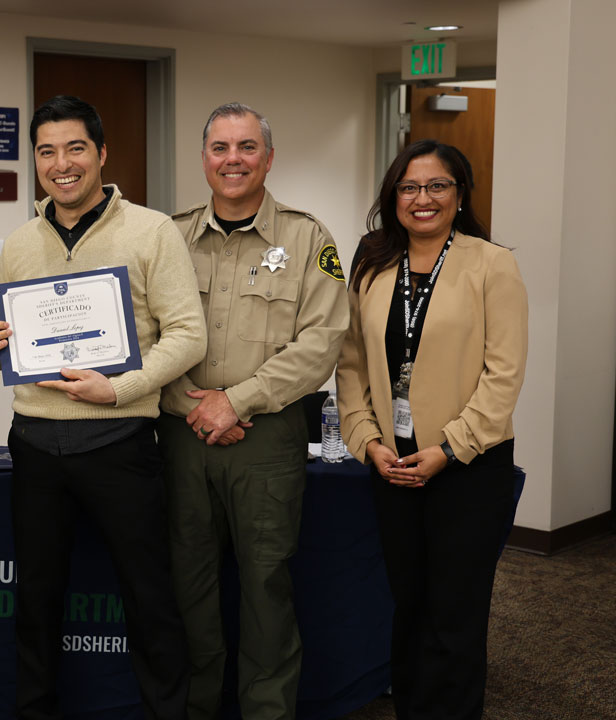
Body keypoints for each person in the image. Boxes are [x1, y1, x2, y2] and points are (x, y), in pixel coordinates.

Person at [0, 95, 205, 720]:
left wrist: (120, 388)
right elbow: (14, 341)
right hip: (36, 444)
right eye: (46, 151)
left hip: (120, 443)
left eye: (75, 148)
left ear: (102, 153)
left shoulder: (152, 231)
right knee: (37, 601)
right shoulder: (19, 243)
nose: (61, 163)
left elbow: (187, 334)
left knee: (149, 598)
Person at [159, 102, 349, 719]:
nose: (232, 160)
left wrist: (235, 401)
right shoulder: (168, 235)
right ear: (204, 157)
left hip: (266, 439)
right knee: (190, 585)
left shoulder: (309, 238)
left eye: (246, 148)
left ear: (268, 158)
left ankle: (267, 711)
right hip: (182, 432)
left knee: (266, 588)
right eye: (220, 148)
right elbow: (142, 330)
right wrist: (197, 404)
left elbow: (321, 344)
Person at [336, 139, 528, 720]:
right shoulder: (372, 261)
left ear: (460, 193)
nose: (423, 199)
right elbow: (349, 364)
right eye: (409, 187)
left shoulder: (492, 264)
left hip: (467, 468)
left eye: (437, 186)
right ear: (393, 195)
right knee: (409, 604)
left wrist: (449, 448)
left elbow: (504, 375)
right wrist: (367, 440)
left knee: (455, 611)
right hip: (391, 464)